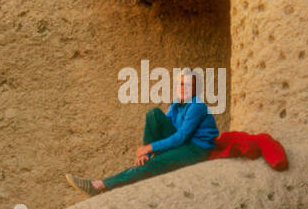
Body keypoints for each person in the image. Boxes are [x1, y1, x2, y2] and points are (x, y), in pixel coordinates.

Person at [67, 70, 219, 196]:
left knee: (152, 165)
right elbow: (159, 125)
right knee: (154, 114)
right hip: (182, 143)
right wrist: (145, 153)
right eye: (180, 84)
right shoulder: (177, 104)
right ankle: (145, 159)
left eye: (188, 85)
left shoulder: (197, 106)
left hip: (195, 149)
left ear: (195, 89)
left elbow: (181, 137)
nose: (183, 88)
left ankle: (99, 185)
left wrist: (150, 148)